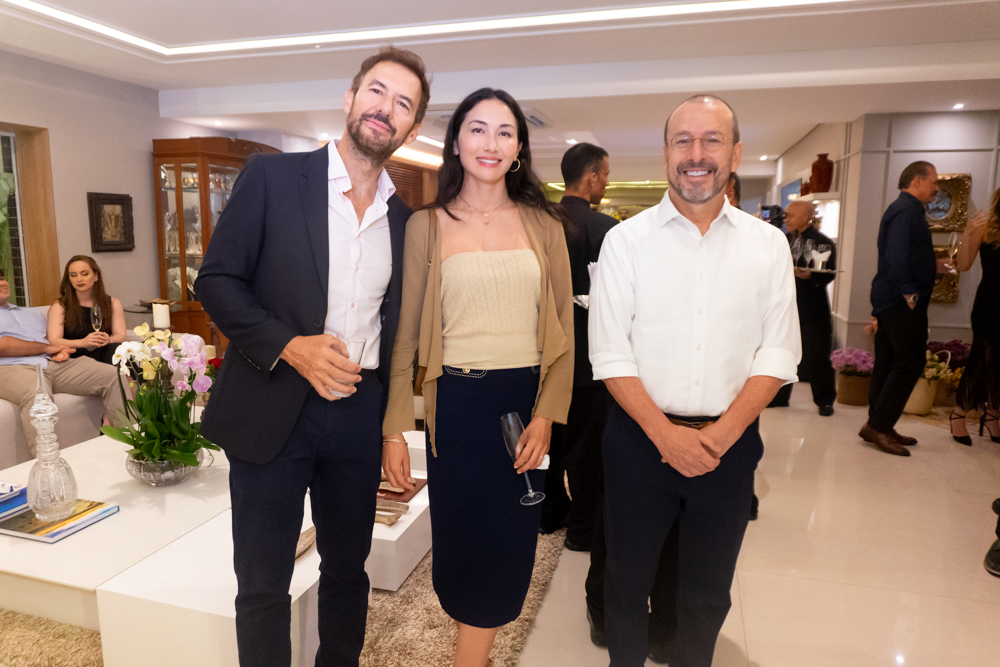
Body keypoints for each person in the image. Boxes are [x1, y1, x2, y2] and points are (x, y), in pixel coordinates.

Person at [193, 47, 430, 667]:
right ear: (350, 98)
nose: (385, 108)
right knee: (263, 580)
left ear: (412, 129)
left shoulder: (405, 222)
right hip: (270, 403)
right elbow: (215, 281)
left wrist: (392, 430)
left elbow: (398, 335)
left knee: (348, 570)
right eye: (376, 91)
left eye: (403, 103)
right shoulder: (273, 179)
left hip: (355, 412)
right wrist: (291, 347)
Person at [589, 94, 800, 667]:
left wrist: (720, 436)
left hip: (728, 447)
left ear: (736, 153)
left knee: (707, 592)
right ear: (666, 153)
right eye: (683, 140)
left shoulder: (767, 245)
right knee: (626, 584)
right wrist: (666, 435)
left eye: (711, 140)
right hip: (638, 444)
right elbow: (609, 353)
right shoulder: (625, 242)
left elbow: (779, 353)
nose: (696, 153)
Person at [381, 87, 573, 667]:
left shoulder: (545, 225)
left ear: (518, 149)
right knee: (463, 541)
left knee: (509, 540)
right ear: (457, 143)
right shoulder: (426, 225)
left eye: (505, 132)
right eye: (478, 129)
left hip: (523, 407)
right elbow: (405, 337)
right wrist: (393, 430)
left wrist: (547, 415)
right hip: (458, 406)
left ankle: (471, 660)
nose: (491, 142)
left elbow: (564, 330)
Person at [539, 141, 615, 547]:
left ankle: (550, 512)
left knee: (546, 439)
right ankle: (583, 528)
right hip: (588, 355)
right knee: (587, 449)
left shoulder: (538, 221)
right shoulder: (607, 230)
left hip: (541, 352)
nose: (606, 183)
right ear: (591, 177)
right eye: (605, 175)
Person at [860, 161, 952, 456]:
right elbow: (896, 257)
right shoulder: (906, 210)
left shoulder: (905, 209)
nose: (937, 187)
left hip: (892, 299)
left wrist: (933, 266)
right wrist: (910, 294)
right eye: (934, 181)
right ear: (917, 180)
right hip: (900, 301)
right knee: (910, 362)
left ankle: (878, 424)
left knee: (888, 362)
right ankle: (879, 425)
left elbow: (904, 255)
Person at [0, 267, 125, 454]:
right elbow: (3, 346)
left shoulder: (29, 313)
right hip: (12, 368)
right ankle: (48, 464)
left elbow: (51, 340)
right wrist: (47, 348)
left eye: (2, 278)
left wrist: (62, 350)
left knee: (114, 375)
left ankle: (129, 445)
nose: (3, 283)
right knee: (38, 395)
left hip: (52, 363)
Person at [769, 201, 837, 415]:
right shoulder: (783, 240)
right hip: (785, 305)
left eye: (790, 215)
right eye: (785, 215)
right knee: (782, 351)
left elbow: (828, 273)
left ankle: (825, 401)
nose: (786, 219)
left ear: (807, 217)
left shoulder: (822, 242)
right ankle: (780, 396)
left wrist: (809, 276)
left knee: (817, 354)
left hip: (812, 307)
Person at [949, 188, 1000, 444]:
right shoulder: (986, 227)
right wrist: (968, 234)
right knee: (981, 361)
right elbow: (963, 265)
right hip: (990, 304)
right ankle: (958, 413)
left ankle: (992, 415)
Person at [47, 255, 126, 366]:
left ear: (96, 276)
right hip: (75, 355)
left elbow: (121, 335)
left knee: (117, 350)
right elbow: (54, 340)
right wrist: (82, 342)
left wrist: (108, 340)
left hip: (104, 351)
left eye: (84, 274)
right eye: (73, 275)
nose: (79, 279)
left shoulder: (113, 303)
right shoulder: (60, 306)